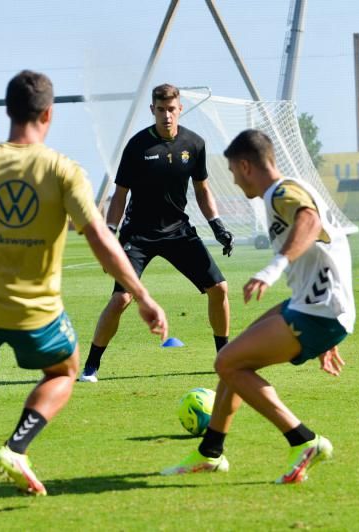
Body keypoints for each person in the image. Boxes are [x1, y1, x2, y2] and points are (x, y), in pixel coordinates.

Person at [0, 70, 168, 514]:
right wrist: (142, 297)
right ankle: (16, 446)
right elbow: (102, 240)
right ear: (49, 114)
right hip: (38, 315)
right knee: (65, 372)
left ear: (8, 112)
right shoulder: (63, 171)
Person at [161, 129, 355, 484]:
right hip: (317, 306)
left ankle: (303, 440)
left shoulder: (282, 192)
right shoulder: (286, 190)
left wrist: (272, 269)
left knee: (228, 363)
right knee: (234, 356)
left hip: (318, 309)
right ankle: (210, 453)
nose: (234, 181)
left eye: (233, 172)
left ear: (245, 166)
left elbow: (309, 221)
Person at [79, 83, 234, 382]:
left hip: (178, 232)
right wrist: (111, 234)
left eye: (171, 109)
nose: (166, 115)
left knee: (219, 289)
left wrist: (217, 225)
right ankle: (91, 365)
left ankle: (223, 357)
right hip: (138, 235)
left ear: (180, 109)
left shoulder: (195, 144)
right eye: (160, 110)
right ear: (152, 110)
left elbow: (202, 190)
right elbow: (120, 195)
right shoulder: (137, 147)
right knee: (121, 300)